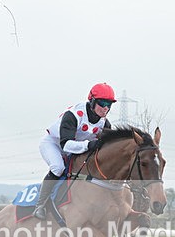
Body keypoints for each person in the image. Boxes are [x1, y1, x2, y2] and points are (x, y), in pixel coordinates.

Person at [32, 82, 116, 220]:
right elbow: (65, 145)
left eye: (109, 104)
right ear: (92, 101)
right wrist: (89, 145)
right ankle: (40, 206)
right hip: (54, 145)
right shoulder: (73, 115)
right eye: (102, 103)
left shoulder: (105, 123)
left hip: (75, 149)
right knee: (58, 168)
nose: (106, 108)